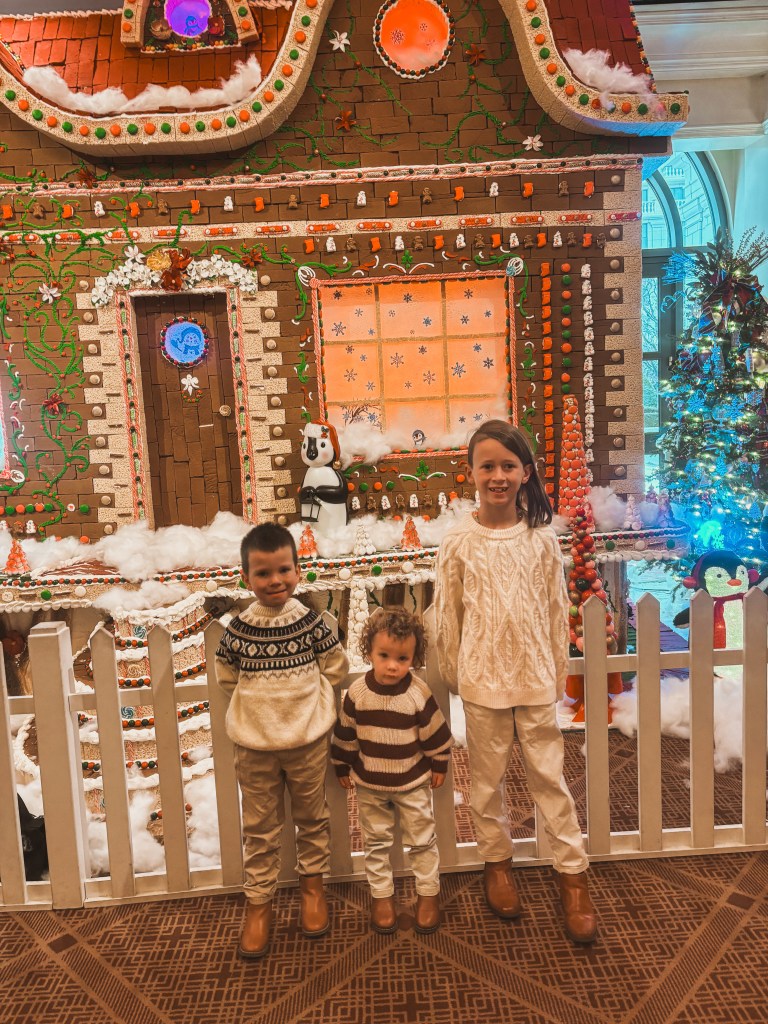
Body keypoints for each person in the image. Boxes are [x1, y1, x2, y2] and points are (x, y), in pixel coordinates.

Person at [434, 419, 598, 944]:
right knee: (486, 781)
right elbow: (448, 615)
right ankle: (497, 863)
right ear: (471, 472)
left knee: (549, 777)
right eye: (487, 466)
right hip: (482, 677)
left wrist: (555, 671)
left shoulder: (540, 538)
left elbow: (554, 609)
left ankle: (572, 873)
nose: (498, 476)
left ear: (526, 472)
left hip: (533, 676)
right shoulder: (458, 541)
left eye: (508, 466)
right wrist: (457, 672)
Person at [215, 522, 349, 960]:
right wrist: (259, 709)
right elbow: (227, 678)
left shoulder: (311, 622)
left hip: (306, 742)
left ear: (297, 570)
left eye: (283, 570)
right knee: (259, 828)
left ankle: (312, 888)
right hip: (254, 746)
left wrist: (311, 704)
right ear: (246, 578)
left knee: (312, 817)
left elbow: (335, 668)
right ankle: (259, 904)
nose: (275, 580)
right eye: (263, 573)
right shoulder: (238, 630)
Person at [331, 608, 453, 935]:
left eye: (402, 658)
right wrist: (342, 763)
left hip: (412, 782)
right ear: (369, 652)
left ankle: (428, 893)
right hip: (370, 783)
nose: (392, 666)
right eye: (383, 656)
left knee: (423, 840)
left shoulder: (417, 692)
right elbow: (346, 732)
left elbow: (435, 731)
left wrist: (439, 761)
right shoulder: (358, 692)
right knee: (375, 842)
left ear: (414, 658)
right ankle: (381, 895)